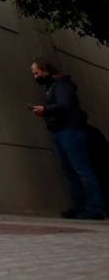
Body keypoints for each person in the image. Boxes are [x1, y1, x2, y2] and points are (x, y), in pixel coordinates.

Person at [31, 58, 105, 220]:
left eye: (37, 73)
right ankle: (79, 207)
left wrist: (45, 109)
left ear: (45, 70)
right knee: (70, 171)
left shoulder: (61, 85)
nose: (35, 77)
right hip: (60, 131)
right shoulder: (52, 87)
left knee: (81, 169)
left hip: (70, 131)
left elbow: (64, 105)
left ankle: (94, 208)